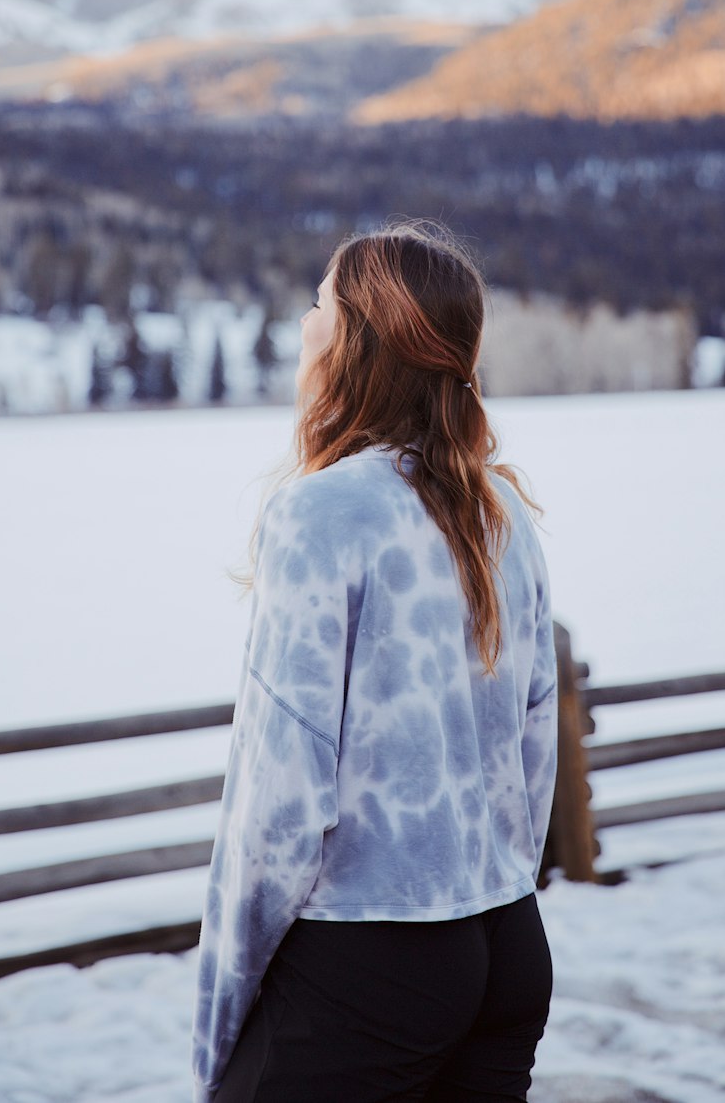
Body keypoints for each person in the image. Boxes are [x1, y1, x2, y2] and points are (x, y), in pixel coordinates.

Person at [192, 219, 558, 1103]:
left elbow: (278, 802)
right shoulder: (501, 512)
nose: (304, 322)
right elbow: (533, 756)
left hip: (369, 955)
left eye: (318, 303)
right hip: (505, 941)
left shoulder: (322, 514)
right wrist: (492, 887)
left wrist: (222, 1021)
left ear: (354, 338)